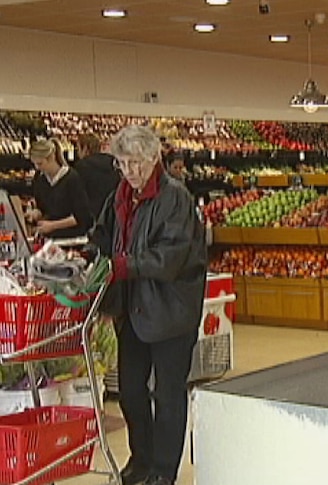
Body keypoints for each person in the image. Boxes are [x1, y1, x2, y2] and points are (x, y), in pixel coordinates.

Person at [91, 125, 207, 485]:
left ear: (154, 158)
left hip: (171, 311)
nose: (130, 172)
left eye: (137, 164)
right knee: (129, 390)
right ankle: (140, 459)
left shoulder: (175, 198)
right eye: (123, 164)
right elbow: (105, 235)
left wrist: (122, 266)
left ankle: (162, 471)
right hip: (133, 310)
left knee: (168, 394)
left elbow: (169, 258)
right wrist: (86, 254)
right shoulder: (120, 196)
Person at [28, 138, 92, 238]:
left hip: (71, 238)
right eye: (35, 164)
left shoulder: (72, 178)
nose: (37, 167)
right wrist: (35, 213)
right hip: (50, 239)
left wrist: (53, 226)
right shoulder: (40, 180)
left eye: (40, 163)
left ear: (51, 157)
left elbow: (81, 217)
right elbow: (42, 208)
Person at [76, 133, 121, 221]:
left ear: (85, 148)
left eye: (78, 149)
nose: (77, 153)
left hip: (92, 216)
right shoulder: (113, 163)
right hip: (113, 213)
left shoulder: (81, 167)